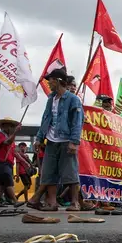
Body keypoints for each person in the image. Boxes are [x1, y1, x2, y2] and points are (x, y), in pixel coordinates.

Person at [32, 67, 84, 212]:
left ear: (58, 81)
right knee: (49, 173)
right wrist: (39, 138)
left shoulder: (73, 99)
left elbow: (77, 122)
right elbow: (45, 118)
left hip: (66, 140)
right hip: (51, 141)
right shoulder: (50, 99)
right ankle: (52, 203)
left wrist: (74, 141)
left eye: (51, 80)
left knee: (71, 172)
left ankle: (75, 203)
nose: (49, 83)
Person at [0, 117, 24, 207]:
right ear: (4, 126)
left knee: (3, 184)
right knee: (9, 182)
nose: (11, 128)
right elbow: (7, 142)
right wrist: (15, 132)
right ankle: (15, 200)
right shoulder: (0, 135)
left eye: (13, 126)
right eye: (10, 126)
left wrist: (26, 163)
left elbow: (15, 152)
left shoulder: (10, 137)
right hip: (2, 162)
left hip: (8, 163)